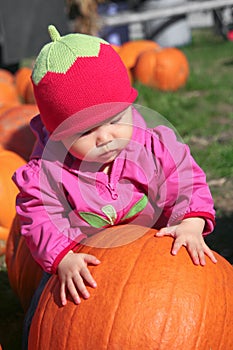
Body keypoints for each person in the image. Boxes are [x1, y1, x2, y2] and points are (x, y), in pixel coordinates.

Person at [13, 25, 217, 311]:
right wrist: (62, 258)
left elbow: (185, 180)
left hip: (152, 253)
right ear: (58, 134)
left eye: (115, 119)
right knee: (48, 309)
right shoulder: (48, 171)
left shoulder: (151, 146)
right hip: (84, 261)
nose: (105, 138)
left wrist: (191, 223)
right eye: (85, 132)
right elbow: (40, 215)